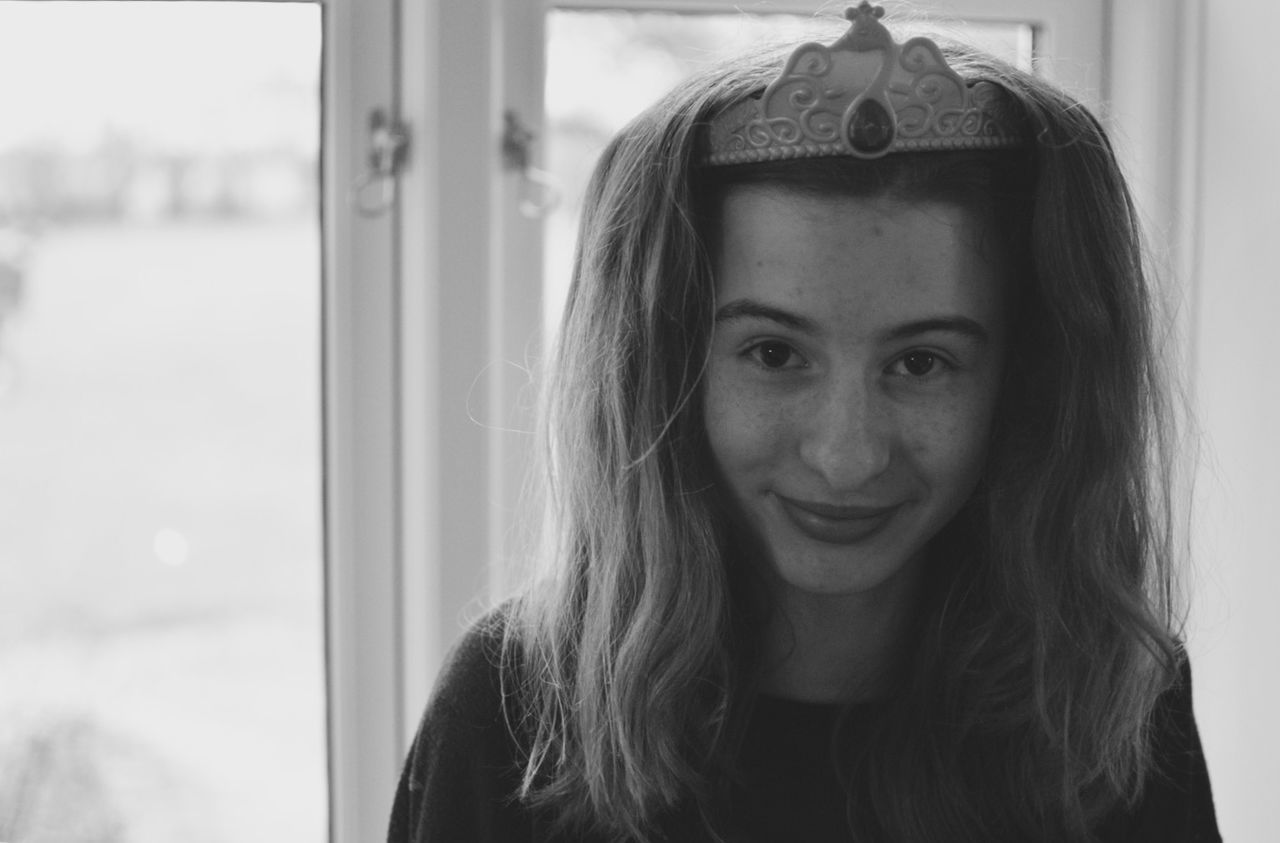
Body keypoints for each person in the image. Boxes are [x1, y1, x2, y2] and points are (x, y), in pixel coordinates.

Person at [388, 4, 1220, 841]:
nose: (846, 454)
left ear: (1029, 380)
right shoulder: (511, 715)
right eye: (775, 354)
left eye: (921, 362)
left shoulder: (1115, 705)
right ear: (668, 368)